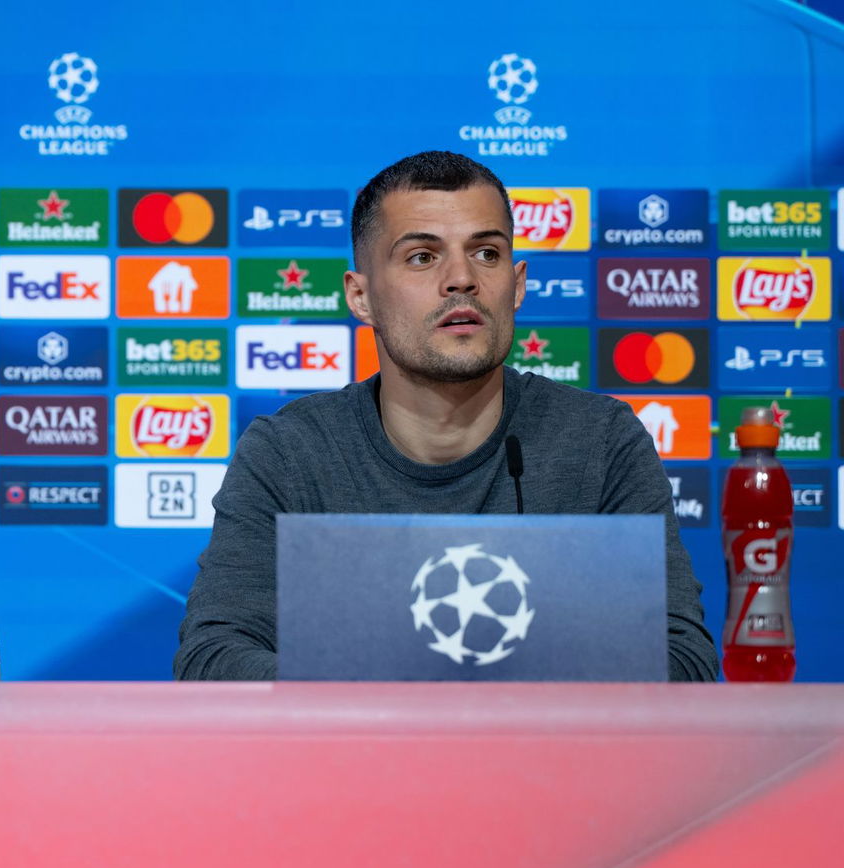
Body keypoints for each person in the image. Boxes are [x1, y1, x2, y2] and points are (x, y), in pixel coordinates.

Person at [174, 151, 717, 682]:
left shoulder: (600, 441)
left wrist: (459, 699)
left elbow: (683, 662)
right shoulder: (291, 451)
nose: (462, 278)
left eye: (486, 253)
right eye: (422, 257)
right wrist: (417, 705)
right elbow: (212, 661)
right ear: (361, 297)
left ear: (517, 285)